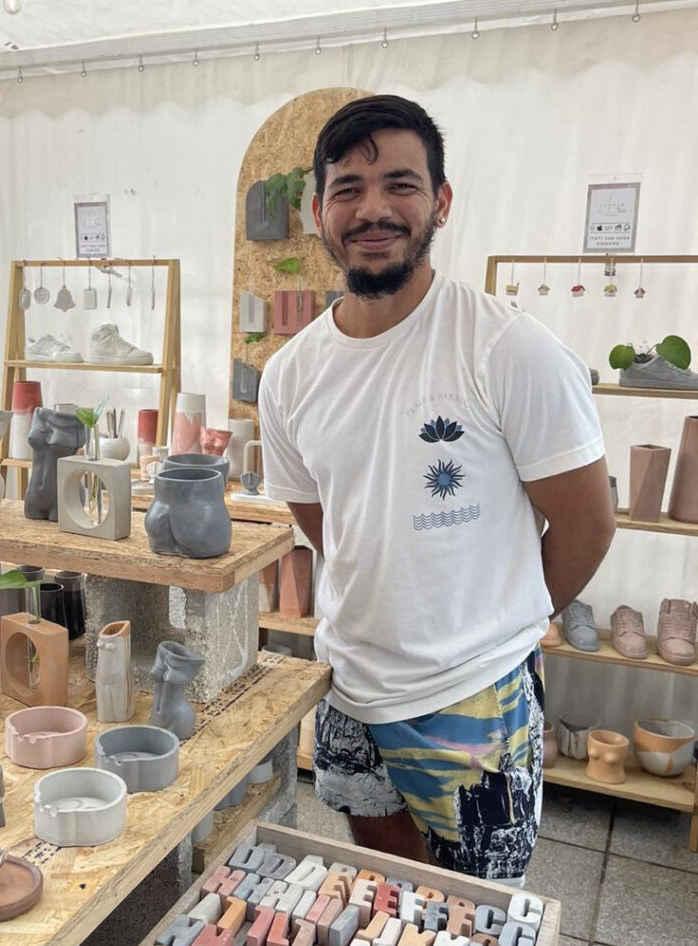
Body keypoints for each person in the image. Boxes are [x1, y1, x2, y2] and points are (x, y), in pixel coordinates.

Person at [258, 95, 615, 883]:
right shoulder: (289, 377)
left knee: (476, 936)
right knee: (390, 916)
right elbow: (329, 525)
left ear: (441, 202)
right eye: (347, 188)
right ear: (319, 210)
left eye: (401, 184)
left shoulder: (507, 349)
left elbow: (587, 527)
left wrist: (492, 626)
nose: (373, 208)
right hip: (351, 688)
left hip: (476, 702)